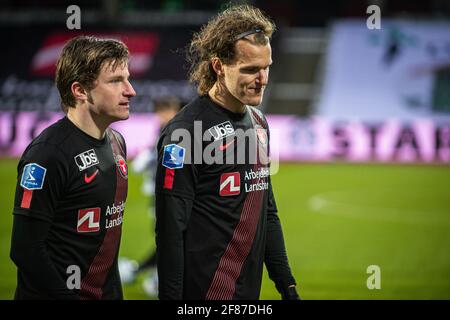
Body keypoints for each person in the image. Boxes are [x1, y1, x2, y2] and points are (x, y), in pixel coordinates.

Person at [154, 4, 299, 300]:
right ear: (219, 67)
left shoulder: (259, 123)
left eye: (266, 67)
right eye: (250, 69)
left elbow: (267, 212)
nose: (263, 79)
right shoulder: (185, 133)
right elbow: (171, 232)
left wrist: (287, 285)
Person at [10, 36, 136, 299]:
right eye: (115, 81)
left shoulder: (116, 143)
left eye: (127, 78)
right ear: (79, 90)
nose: (130, 90)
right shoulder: (48, 154)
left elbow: (106, 252)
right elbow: (25, 248)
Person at [119, 97, 181, 297]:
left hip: (171, 195)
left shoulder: (177, 131)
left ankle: (140, 272)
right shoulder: (165, 130)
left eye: (165, 110)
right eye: (159, 111)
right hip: (163, 195)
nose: (160, 115)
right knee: (171, 240)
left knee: (172, 240)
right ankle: (150, 277)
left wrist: (150, 158)